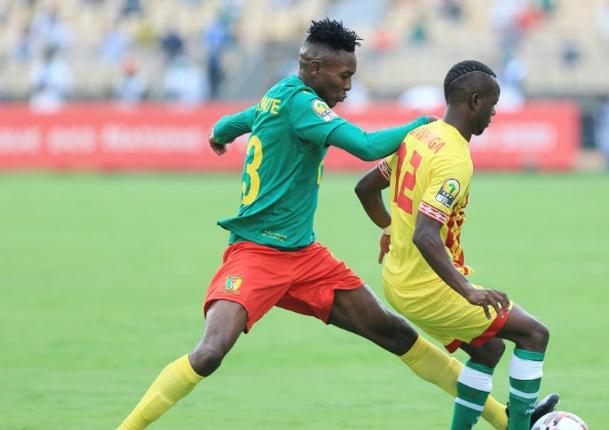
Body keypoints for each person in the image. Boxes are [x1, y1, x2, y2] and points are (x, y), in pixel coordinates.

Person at [118, 19, 514, 429]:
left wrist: (219, 133)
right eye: (344, 76)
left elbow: (243, 118)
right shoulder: (304, 105)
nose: (348, 85)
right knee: (210, 352)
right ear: (313, 69)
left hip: (306, 257)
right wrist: (424, 126)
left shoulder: (280, 94)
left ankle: (507, 420)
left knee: (395, 334)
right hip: (255, 254)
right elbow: (365, 147)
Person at [354, 60, 559, 429]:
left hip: (398, 278)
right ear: (475, 101)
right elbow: (425, 234)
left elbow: (365, 188)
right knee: (533, 334)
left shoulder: (420, 135)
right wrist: (468, 290)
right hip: (428, 287)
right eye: (493, 107)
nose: (494, 115)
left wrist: (389, 229)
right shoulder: (454, 159)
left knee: (488, 348)